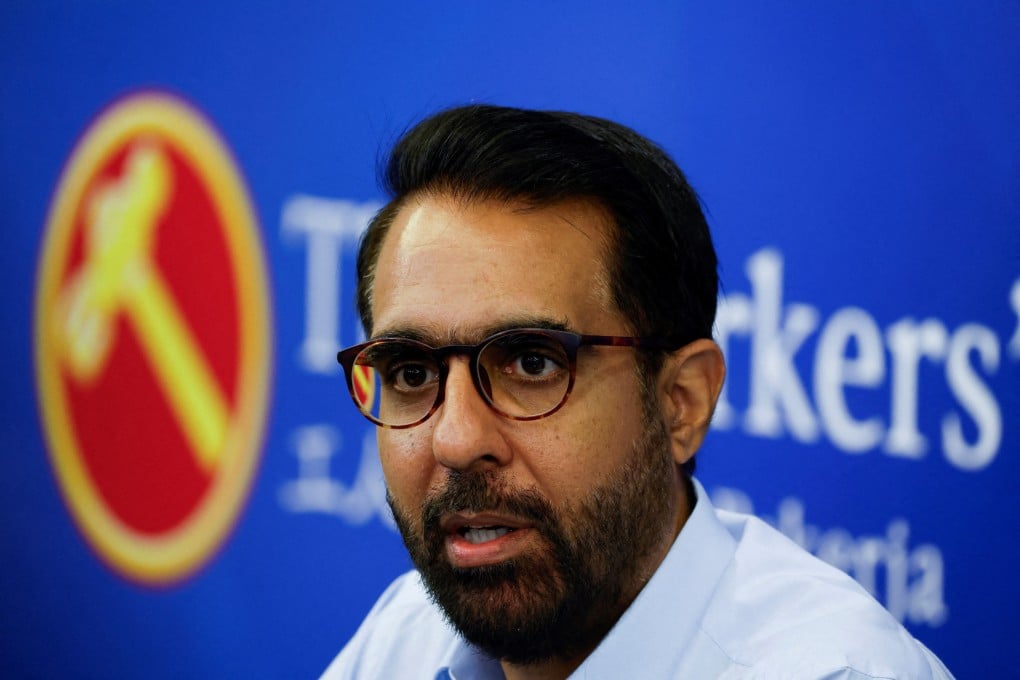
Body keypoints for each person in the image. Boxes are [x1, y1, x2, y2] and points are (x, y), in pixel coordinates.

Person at [322, 105, 954, 679]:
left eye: (534, 364)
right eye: (410, 373)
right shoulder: (403, 641)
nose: (456, 439)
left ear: (682, 402)